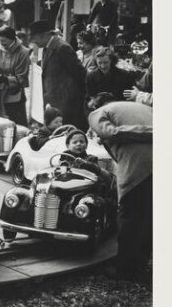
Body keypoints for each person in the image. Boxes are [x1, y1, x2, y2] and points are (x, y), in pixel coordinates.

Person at [87, 95, 152, 283]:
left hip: (138, 167)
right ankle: (141, 264)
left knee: (129, 216)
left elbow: (113, 133)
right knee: (149, 216)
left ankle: (124, 270)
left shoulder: (97, 113)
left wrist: (151, 132)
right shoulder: (143, 108)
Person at [28, 20, 87, 130]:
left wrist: (72, 97)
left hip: (66, 104)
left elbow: (80, 73)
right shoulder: (46, 49)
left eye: (35, 38)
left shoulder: (62, 48)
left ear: (43, 35)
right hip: (54, 102)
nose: (34, 42)